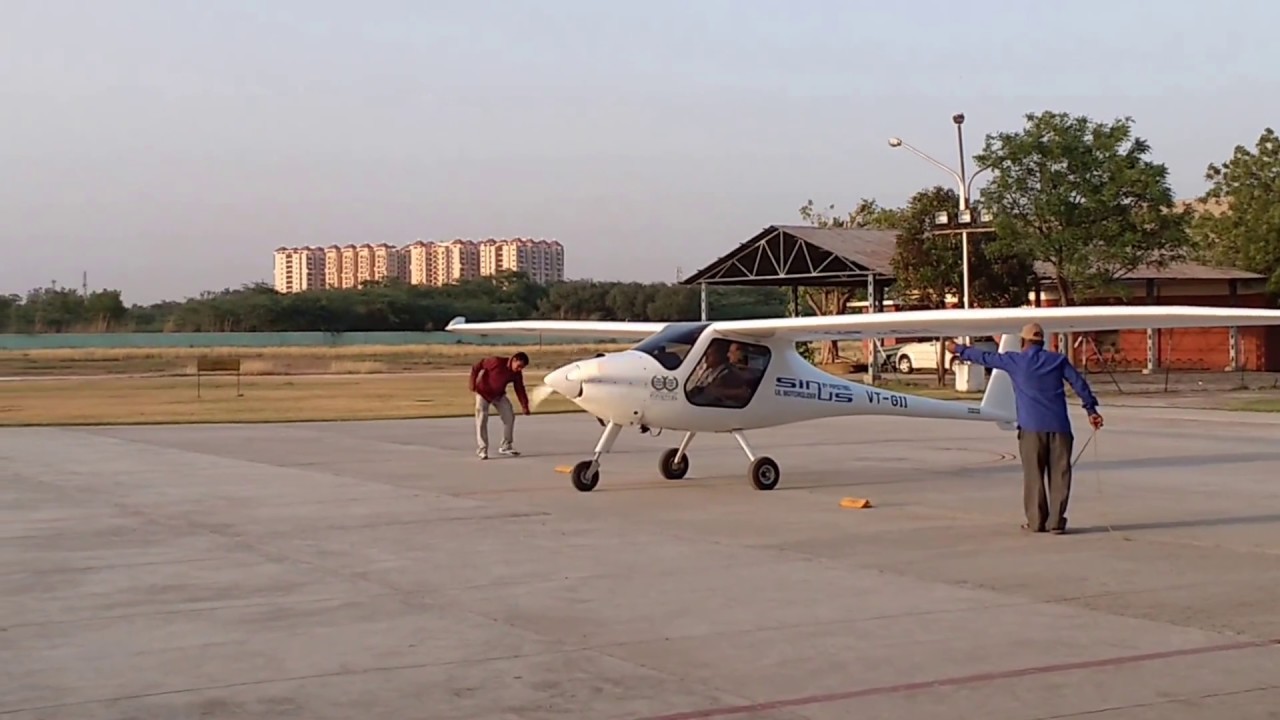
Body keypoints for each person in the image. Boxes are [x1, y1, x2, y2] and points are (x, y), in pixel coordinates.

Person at [946, 324, 1104, 535]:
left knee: (1034, 476)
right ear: (1042, 342)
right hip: (1060, 427)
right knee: (1060, 476)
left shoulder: (1015, 361)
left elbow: (985, 357)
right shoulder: (1057, 360)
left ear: (1023, 342)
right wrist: (1091, 410)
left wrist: (957, 349)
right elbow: (1079, 384)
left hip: (1031, 429)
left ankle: (1037, 521)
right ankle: (1056, 522)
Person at [469, 351, 531, 459]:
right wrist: (472, 383)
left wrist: (524, 405)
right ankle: (482, 449)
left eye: (522, 368)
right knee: (482, 419)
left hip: (499, 395)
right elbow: (477, 366)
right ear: (514, 360)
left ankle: (506, 446)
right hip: (483, 393)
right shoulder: (496, 362)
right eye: (519, 366)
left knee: (509, 417)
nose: (520, 369)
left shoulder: (516, 374)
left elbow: (520, 389)